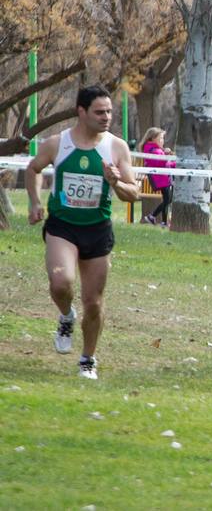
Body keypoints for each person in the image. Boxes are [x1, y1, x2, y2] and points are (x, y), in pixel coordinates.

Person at [24, 85, 140, 380]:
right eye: (99, 112)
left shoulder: (116, 147)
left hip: (97, 230)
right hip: (63, 227)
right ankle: (65, 316)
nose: (106, 117)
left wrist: (115, 183)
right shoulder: (57, 143)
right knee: (61, 282)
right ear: (81, 112)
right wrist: (36, 202)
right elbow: (33, 169)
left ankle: (88, 359)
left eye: (110, 112)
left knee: (94, 302)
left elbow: (133, 194)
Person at [137, 127, 171, 226]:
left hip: (162, 177)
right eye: (160, 138)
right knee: (168, 199)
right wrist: (167, 155)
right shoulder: (154, 150)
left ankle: (164, 222)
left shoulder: (152, 149)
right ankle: (152, 216)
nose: (162, 141)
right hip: (161, 178)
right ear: (152, 138)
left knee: (166, 199)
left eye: (163, 138)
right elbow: (159, 162)